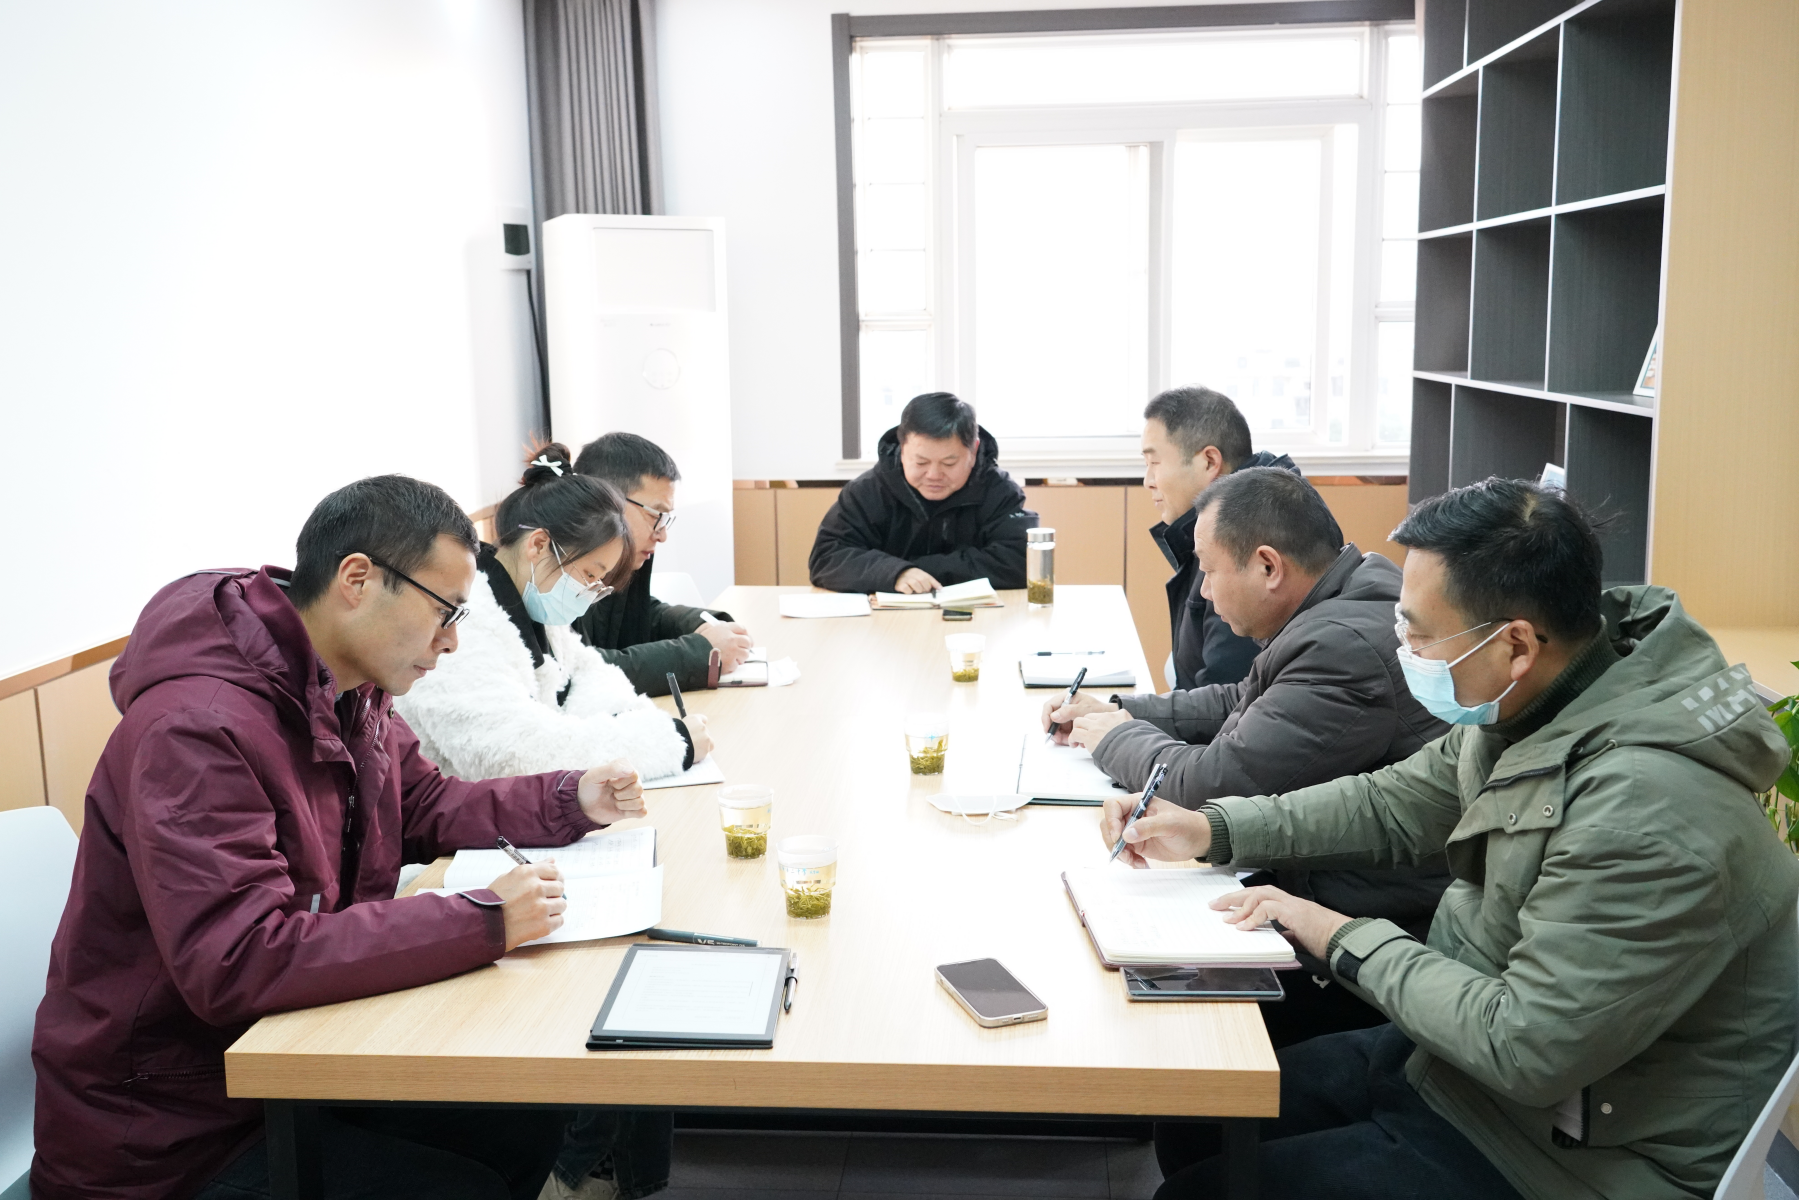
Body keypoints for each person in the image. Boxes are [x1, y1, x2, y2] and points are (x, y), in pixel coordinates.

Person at [1104, 477, 1799, 1200]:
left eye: (1418, 633)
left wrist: (1332, 932)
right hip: (1457, 1076)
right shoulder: (1531, 707)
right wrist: (1211, 829)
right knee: (1198, 1118)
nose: (1403, 648)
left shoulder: (1645, 811)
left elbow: (1524, 1046)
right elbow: (1389, 802)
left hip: (1561, 1158)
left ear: (1515, 644)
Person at [30, 474, 651, 1200]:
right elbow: (237, 958)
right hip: (170, 1130)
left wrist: (569, 798)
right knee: (457, 1186)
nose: (452, 642)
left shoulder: (349, 687)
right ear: (358, 579)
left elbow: (423, 804)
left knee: (522, 1120)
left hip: (293, 1062)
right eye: (444, 612)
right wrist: (482, 918)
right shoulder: (197, 727)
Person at [1046, 467, 1449, 1048]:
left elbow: (1211, 785)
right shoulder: (1349, 589)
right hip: (1326, 892)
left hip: (1365, 944)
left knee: (1133, 1010)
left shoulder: (1342, 645)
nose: (1205, 592)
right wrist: (1121, 708)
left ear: (1267, 566)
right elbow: (1245, 700)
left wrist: (1114, 738)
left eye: (1209, 572)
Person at [394, 444, 708, 784]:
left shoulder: (531, 600)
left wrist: (632, 721)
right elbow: (517, 756)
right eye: (589, 574)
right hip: (456, 810)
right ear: (539, 545)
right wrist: (669, 742)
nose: (589, 594)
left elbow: (586, 676)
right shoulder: (463, 624)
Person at [1139, 386, 1311, 689]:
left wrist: (1126, 714)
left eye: (1155, 463)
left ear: (1209, 462)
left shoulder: (1246, 539)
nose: (1148, 481)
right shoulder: (1218, 522)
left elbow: (1225, 700)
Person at [569, 431, 754, 697]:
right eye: (656, 515)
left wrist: (706, 625)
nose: (662, 535)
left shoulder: (618, 560)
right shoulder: (555, 567)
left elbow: (643, 615)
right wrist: (702, 651)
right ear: (606, 502)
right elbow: (584, 672)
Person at [808, 391, 1038, 593]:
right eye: (921, 462)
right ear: (902, 449)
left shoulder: (998, 491)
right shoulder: (868, 491)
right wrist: (894, 573)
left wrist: (918, 570)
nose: (934, 475)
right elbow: (827, 557)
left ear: (974, 451)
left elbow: (1021, 560)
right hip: (884, 623)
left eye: (949, 463)